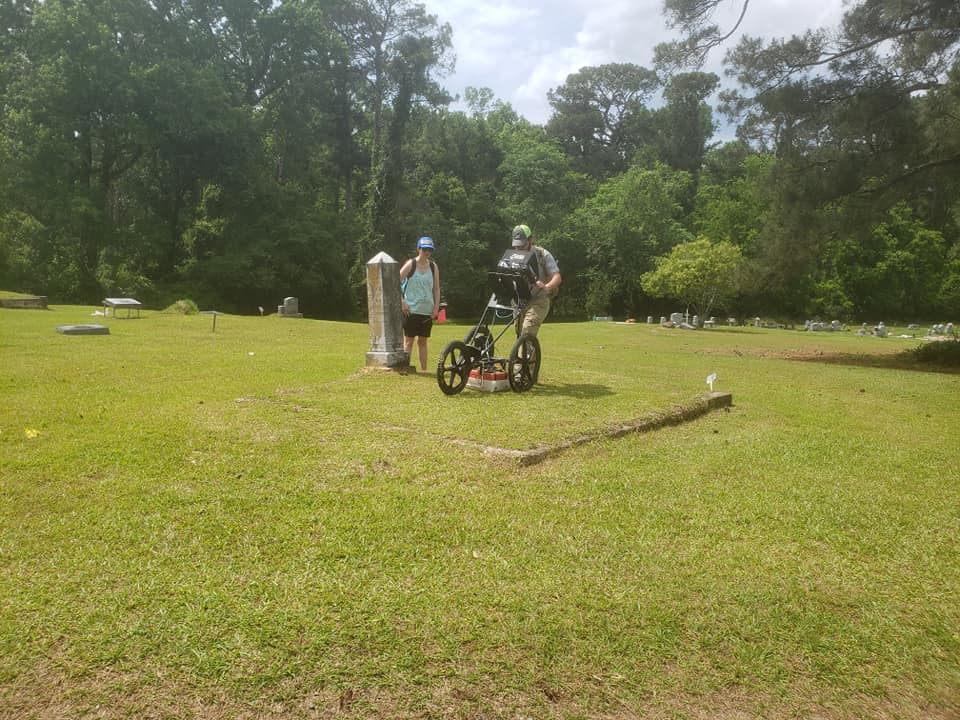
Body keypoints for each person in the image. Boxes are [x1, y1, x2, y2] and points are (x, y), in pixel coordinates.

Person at [510, 224, 561, 337]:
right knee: (519, 334)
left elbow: (557, 277)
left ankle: (529, 354)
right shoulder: (511, 256)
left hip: (539, 299)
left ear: (531, 240)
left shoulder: (542, 254)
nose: (518, 249)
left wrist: (547, 287)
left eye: (522, 245)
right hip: (519, 300)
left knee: (527, 331)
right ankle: (520, 355)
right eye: (516, 246)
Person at [400, 236, 441, 371]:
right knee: (409, 341)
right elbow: (395, 282)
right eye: (424, 249)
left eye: (430, 250)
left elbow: (436, 288)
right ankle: (405, 367)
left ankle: (424, 370)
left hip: (427, 311)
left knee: (423, 341)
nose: (427, 252)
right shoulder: (410, 264)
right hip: (410, 310)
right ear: (418, 249)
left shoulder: (433, 267)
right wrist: (402, 302)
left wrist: (436, 307)